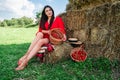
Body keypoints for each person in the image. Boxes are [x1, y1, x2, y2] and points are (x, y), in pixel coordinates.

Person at [15, 5, 67, 71]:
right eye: (47, 11)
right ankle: (26, 55)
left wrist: (64, 35)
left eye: (50, 10)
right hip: (45, 37)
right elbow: (40, 30)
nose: (49, 12)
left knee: (40, 39)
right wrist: (47, 31)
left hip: (52, 38)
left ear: (52, 11)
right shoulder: (43, 20)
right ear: (45, 13)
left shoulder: (57, 19)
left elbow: (62, 29)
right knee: (39, 35)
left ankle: (25, 61)